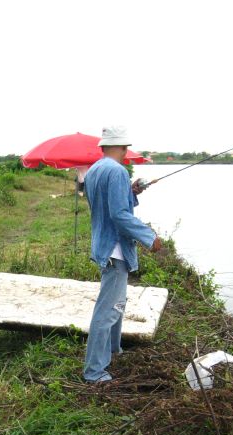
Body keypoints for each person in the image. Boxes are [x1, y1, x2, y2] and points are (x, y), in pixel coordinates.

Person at [83, 126, 162, 383]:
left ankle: (114, 350)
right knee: (107, 310)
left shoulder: (95, 169)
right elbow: (118, 214)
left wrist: (132, 192)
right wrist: (149, 237)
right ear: (122, 147)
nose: (128, 151)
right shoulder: (117, 171)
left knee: (117, 303)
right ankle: (95, 372)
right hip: (115, 248)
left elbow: (106, 204)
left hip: (104, 244)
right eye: (126, 147)